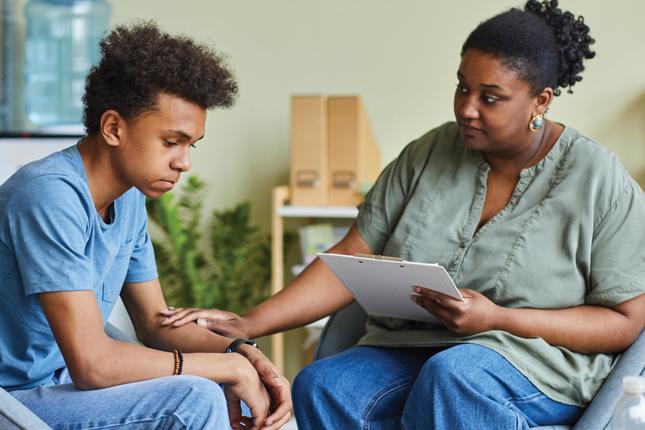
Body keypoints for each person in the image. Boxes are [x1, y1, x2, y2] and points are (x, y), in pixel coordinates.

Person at [162, 1, 645, 429]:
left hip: (538, 364)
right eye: (461, 88)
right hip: (416, 347)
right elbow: (352, 255)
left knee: (455, 376)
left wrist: (498, 318)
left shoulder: (597, 178)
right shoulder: (428, 153)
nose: (466, 109)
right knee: (323, 384)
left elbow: (625, 321)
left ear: (540, 100)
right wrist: (250, 323)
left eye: (489, 97)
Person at [0, 22, 292, 430]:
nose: (184, 162)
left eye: (191, 146)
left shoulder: (129, 196)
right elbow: (93, 365)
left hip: (58, 383)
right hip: (13, 398)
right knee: (194, 398)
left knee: (261, 393)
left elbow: (155, 322)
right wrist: (221, 370)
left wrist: (243, 354)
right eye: (171, 142)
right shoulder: (48, 196)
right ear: (114, 128)